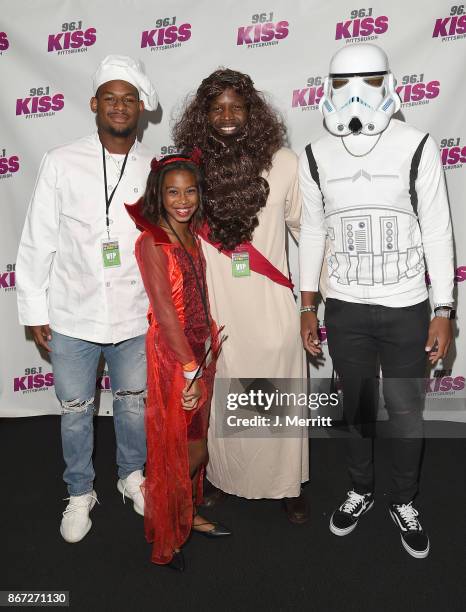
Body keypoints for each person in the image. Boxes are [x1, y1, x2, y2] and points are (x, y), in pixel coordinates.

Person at [299, 43, 454, 558]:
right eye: (342, 84)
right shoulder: (315, 155)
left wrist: (444, 309)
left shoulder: (417, 145)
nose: (355, 94)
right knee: (357, 409)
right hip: (344, 309)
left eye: (368, 80)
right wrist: (307, 305)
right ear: (327, 88)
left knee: (407, 410)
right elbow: (315, 233)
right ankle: (361, 488)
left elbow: (436, 230)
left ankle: (403, 497)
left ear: (388, 82)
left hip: (407, 306)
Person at [16, 55, 158, 543]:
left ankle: (131, 475)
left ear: (140, 109)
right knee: (76, 410)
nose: (119, 108)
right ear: (95, 104)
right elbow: (37, 240)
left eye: (128, 100)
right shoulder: (61, 161)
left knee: (133, 405)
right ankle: (80, 491)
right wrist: (34, 309)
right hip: (73, 314)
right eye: (110, 99)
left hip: (134, 315)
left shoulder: (150, 168)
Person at [173, 68, 309, 523]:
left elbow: (305, 231)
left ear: (253, 111)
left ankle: (287, 484)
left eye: (237, 106)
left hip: (270, 299)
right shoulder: (192, 166)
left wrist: (313, 299)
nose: (227, 115)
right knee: (229, 388)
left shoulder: (285, 162)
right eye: (217, 108)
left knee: (278, 390)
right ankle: (228, 479)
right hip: (220, 300)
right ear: (203, 114)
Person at [126, 152, 231, 570]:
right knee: (183, 450)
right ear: (159, 194)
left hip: (201, 351)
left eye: (190, 191)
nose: (183, 200)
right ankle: (166, 539)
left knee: (193, 444)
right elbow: (165, 313)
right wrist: (188, 371)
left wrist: (203, 359)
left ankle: (187, 516)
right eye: (173, 192)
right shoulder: (151, 241)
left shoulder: (191, 234)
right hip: (175, 359)